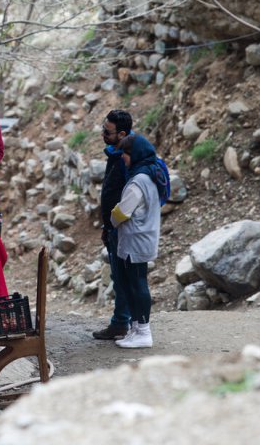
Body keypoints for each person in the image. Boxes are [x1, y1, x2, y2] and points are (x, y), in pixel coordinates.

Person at [110, 134, 161, 348]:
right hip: (141, 239)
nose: (123, 157)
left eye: (126, 153)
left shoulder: (138, 181)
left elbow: (122, 212)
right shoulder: (149, 174)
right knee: (134, 283)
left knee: (138, 284)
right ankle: (136, 328)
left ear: (136, 154)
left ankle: (143, 332)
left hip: (136, 241)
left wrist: (112, 216)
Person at [92, 110, 133, 340]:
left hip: (122, 228)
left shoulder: (127, 157)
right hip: (113, 226)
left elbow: (129, 196)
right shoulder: (115, 153)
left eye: (107, 132)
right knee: (118, 276)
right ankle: (122, 322)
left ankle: (123, 323)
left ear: (122, 134)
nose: (102, 134)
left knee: (124, 276)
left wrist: (114, 224)